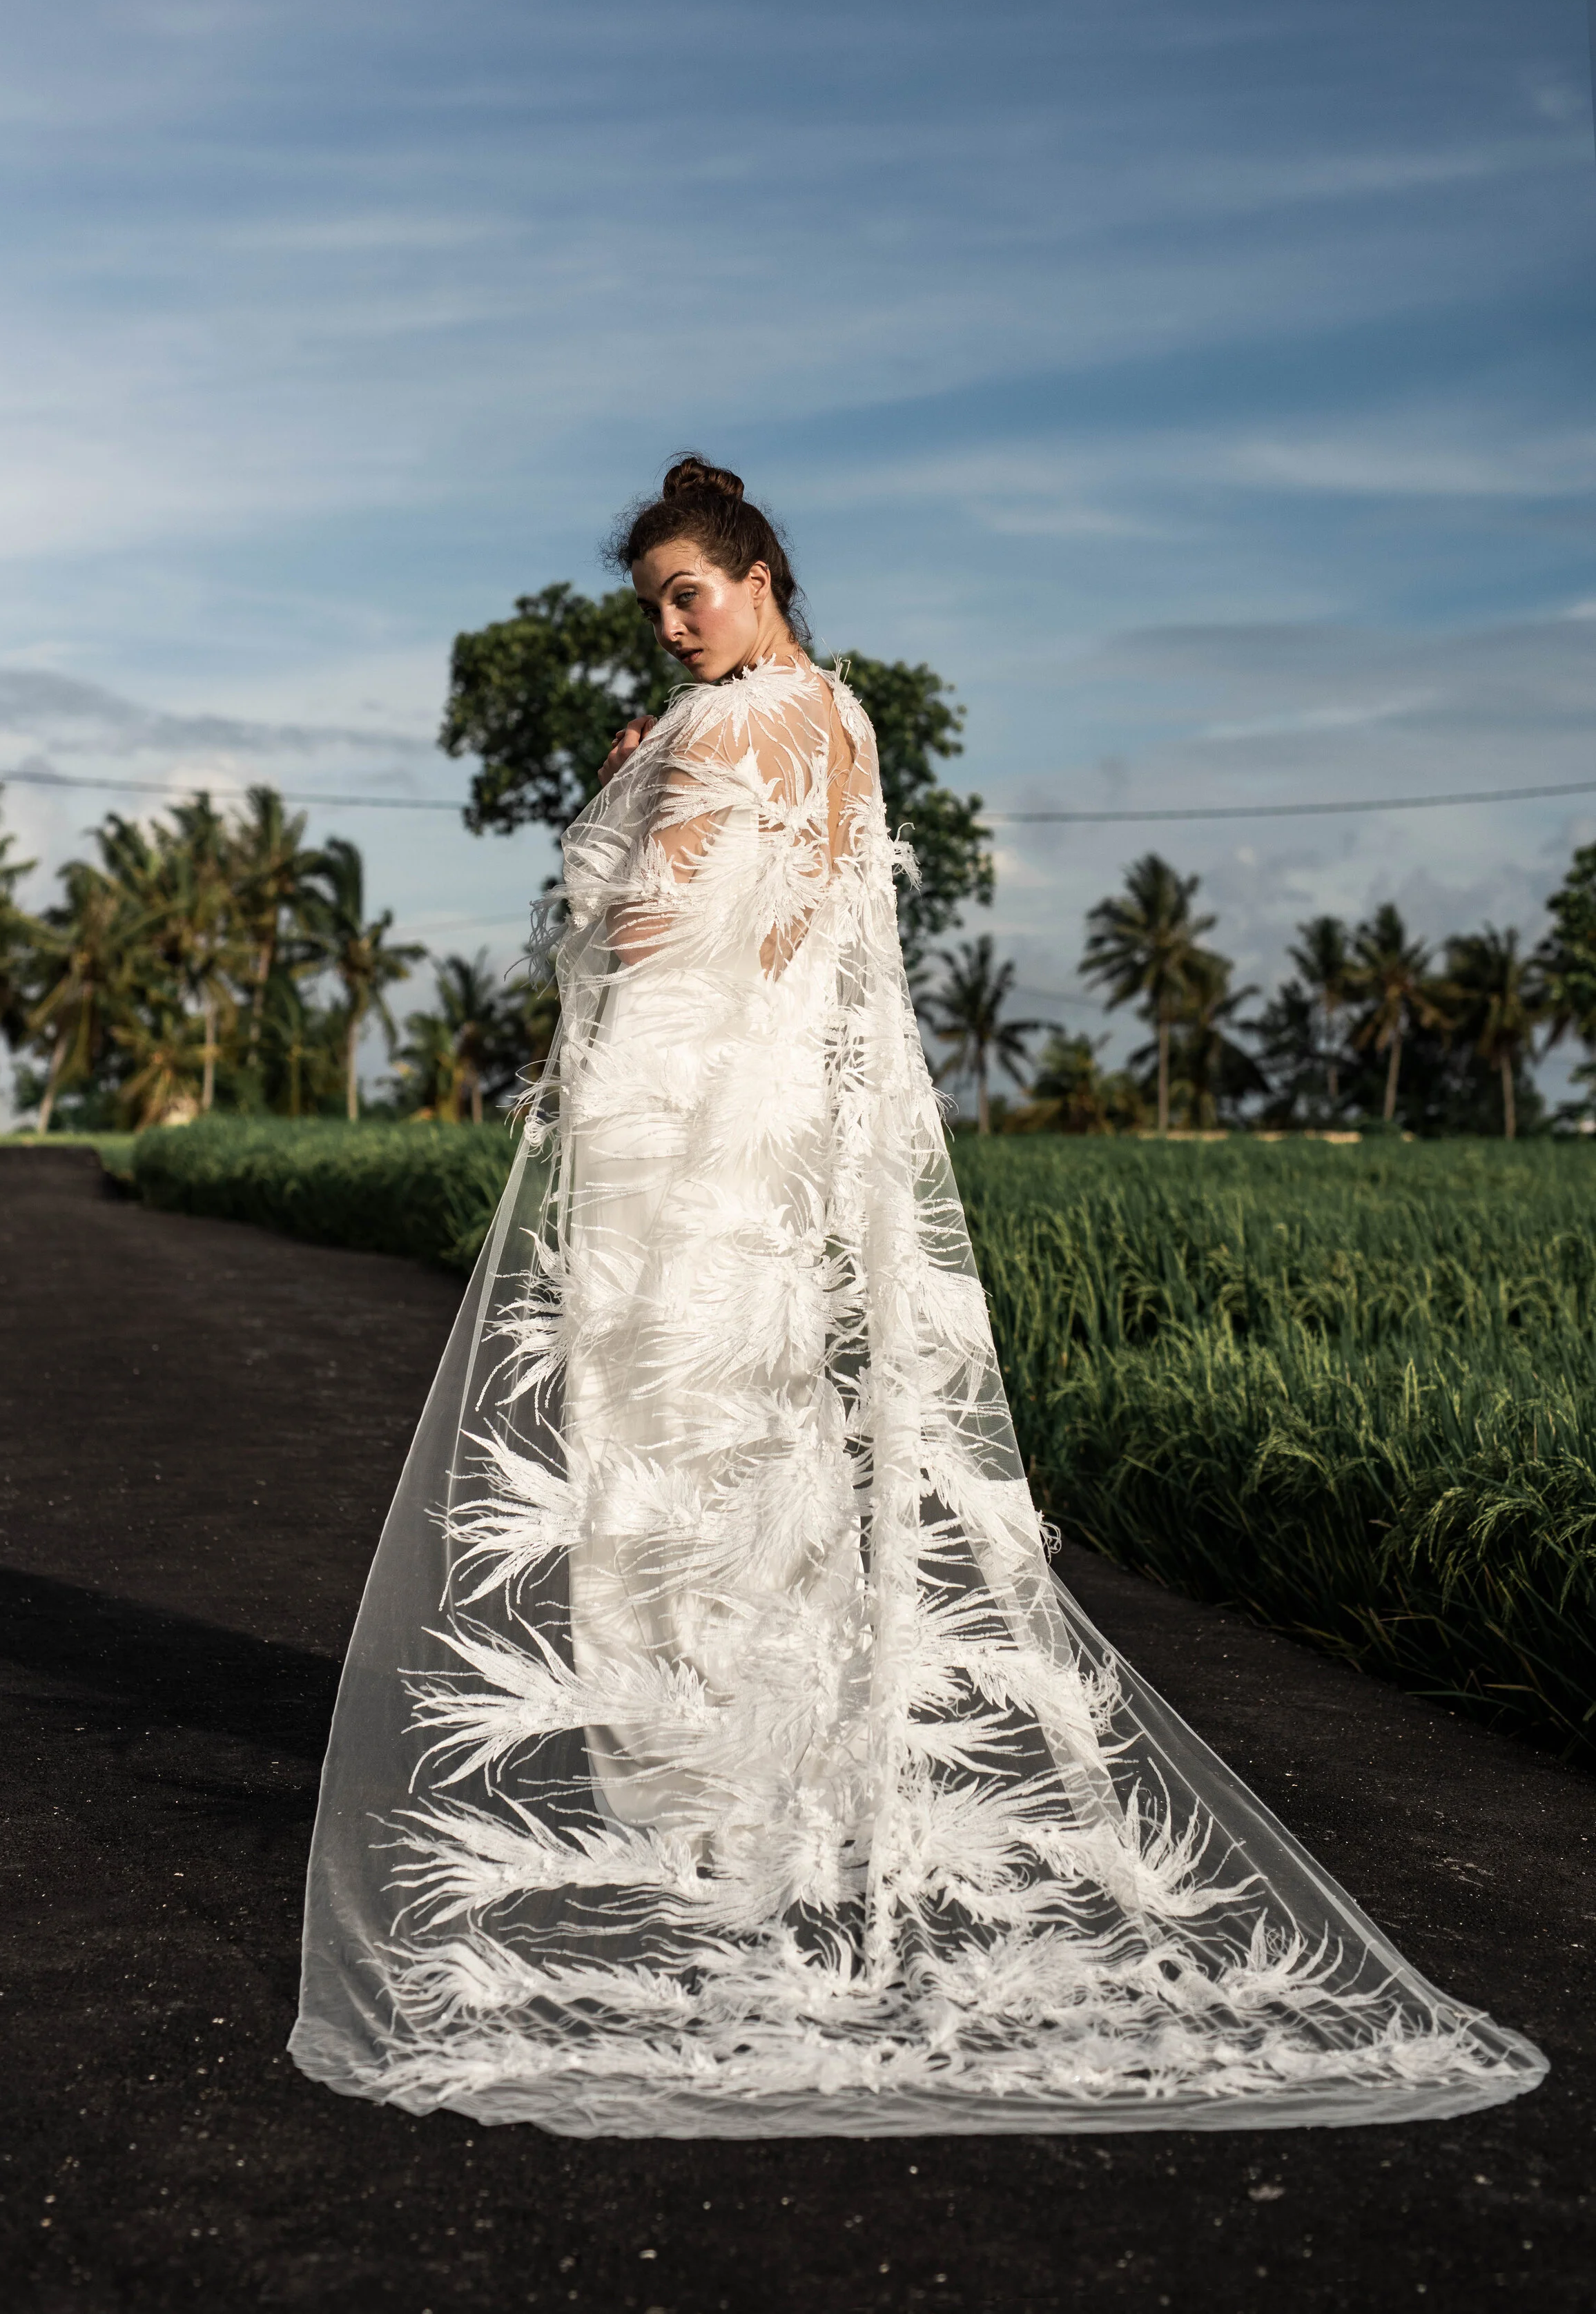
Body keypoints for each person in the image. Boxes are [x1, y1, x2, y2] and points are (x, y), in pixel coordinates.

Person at [289, 457, 1546, 2137]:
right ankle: (757, 1801)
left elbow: (645, 937)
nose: (671, 628)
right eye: (655, 606)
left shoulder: (711, 732)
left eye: (689, 593)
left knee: (657, 1437)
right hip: (775, 1128)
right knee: (751, 1433)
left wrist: (602, 832)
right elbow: (809, 919)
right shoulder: (848, 722)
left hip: (674, 1117)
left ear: (755, 573)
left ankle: (698, 1807)